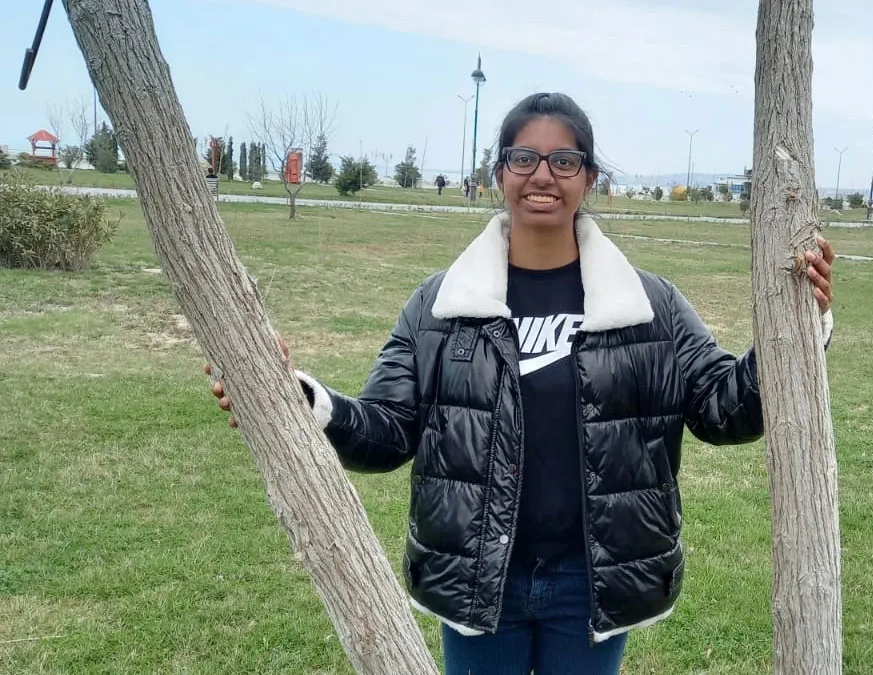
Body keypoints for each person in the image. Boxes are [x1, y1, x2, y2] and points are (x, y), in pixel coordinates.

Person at [206, 92, 836, 675]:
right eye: (524, 157)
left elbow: (724, 409)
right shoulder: (441, 305)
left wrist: (800, 330)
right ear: (500, 173)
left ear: (589, 178)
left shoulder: (649, 306)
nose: (543, 175)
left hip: (592, 583)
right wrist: (300, 400)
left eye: (564, 160)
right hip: (478, 578)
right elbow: (388, 430)